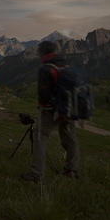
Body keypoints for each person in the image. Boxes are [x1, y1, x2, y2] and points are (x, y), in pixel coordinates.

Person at [21, 41, 80, 182]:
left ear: (42, 52)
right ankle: (71, 170)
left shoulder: (46, 68)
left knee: (40, 137)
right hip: (69, 109)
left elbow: (44, 95)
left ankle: (36, 173)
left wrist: (43, 106)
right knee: (69, 139)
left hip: (51, 111)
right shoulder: (65, 64)